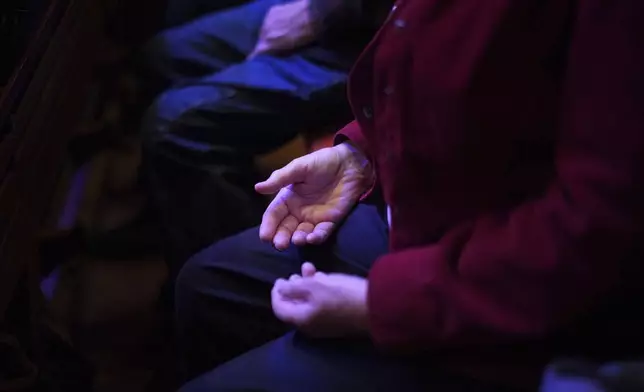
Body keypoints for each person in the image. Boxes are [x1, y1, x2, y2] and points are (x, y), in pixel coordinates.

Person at [175, 0, 644, 390]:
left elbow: (595, 234)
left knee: (178, 128)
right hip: (441, 218)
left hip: (516, 304)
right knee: (207, 286)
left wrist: (380, 305)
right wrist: (363, 152)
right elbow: (474, 85)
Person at [141, 0, 385, 280]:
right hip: (334, 10)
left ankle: (228, 278)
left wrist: (320, 13)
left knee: (171, 125)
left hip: (370, 32)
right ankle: (178, 218)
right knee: (162, 55)